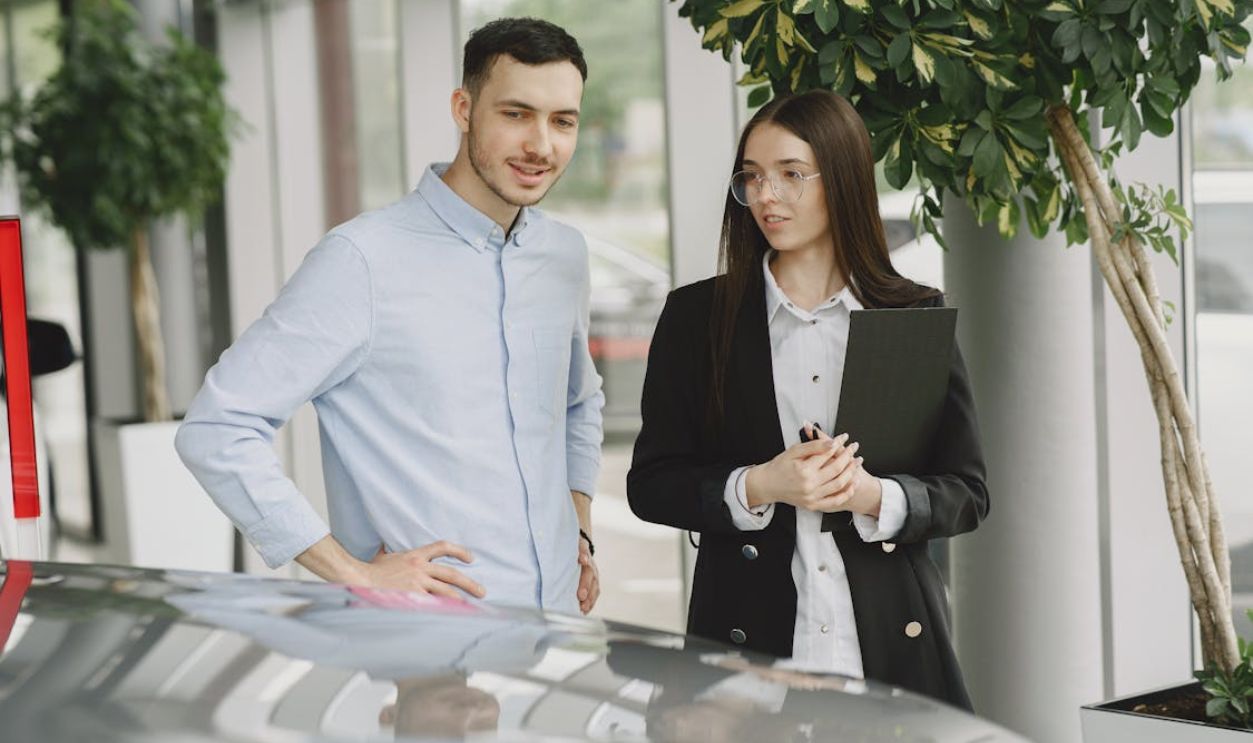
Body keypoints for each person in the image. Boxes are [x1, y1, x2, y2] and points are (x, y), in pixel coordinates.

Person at [176, 17, 604, 615]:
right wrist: (351, 572)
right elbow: (217, 428)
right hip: (432, 643)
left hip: (558, 627)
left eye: (562, 121)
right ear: (463, 108)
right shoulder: (361, 262)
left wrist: (579, 526)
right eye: (515, 114)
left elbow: (578, 403)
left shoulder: (564, 255)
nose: (541, 144)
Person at [626, 89, 988, 708]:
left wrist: (872, 495)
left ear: (842, 178)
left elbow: (966, 492)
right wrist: (760, 486)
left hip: (888, 651)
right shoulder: (697, 318)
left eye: (791, 175)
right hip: (746, 656)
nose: (767, 196)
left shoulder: (911, 314)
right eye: (753, 178)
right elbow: (651, 484)